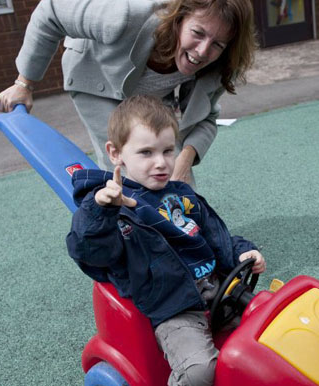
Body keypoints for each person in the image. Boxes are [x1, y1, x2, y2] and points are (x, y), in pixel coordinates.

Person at [66, 95, 266, 386]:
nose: (160, 163)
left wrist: (243, 253)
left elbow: (215, 237)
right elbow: (91, 253)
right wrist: (101, 210)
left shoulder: (183, 195)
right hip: (175, 308)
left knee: (273, 330)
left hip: (221, 291)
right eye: (146, 152)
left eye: (168, 151)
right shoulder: (114, 209)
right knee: (199, 371)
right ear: (115, 153)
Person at [0, 0, 256, 187]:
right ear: (179, 18)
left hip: (150, 95)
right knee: (130, 163)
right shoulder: (124, 17)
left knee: (170, 167)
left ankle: (184, 236)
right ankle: (128, 236)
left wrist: (183, 161)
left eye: (217, 44)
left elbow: (207, 119)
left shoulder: (221, 64)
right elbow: (49, 12)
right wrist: (24, 84)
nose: (202, 51)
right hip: (98, 78)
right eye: (197, 33)